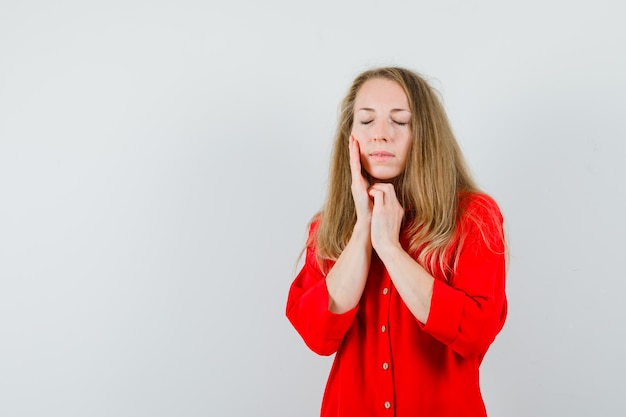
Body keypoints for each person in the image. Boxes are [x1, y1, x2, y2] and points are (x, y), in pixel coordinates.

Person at [286, 67, 507, 417]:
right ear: (350, 136)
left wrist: (389, 248)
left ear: (425, 134)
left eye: (399, 121)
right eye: (367, 120)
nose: (381, 135)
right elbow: (317, 334)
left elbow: (476, 332)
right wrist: (362, 230)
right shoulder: (327, 228)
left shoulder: (474, 217)